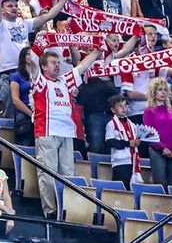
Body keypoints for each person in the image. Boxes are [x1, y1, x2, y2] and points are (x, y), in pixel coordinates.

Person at [33, 48, 101, 219]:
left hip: (67, 132)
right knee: (47, 173)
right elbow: (32, 63)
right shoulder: (40, 81)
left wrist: (97, 50)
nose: (57, 65)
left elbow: (83, 66)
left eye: (58, 63)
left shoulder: (65, 81)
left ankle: (66, 210)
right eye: (53, 63)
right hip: (47, 131)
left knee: (68, 174)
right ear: (44, 67)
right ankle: (50, 212)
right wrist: (38, 46)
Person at [144, 78, 172, 190]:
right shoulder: (149, 111)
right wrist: (163, 148)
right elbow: (149, 134)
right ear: (154, 92)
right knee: (160, 182)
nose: (163, 92)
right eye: (160, 89)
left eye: (165, 90)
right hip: (157, 151)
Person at [104, 95, 141, 190]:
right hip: (120, 161)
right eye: (120, 106)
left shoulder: (132, 124)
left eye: (125, 105)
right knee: (120, 187)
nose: (124, 108)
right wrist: (128, 143)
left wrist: (136, 142)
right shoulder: (111, 124)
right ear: (113, 110)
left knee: (131, 188)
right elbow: (109, 141)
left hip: (132, 160)